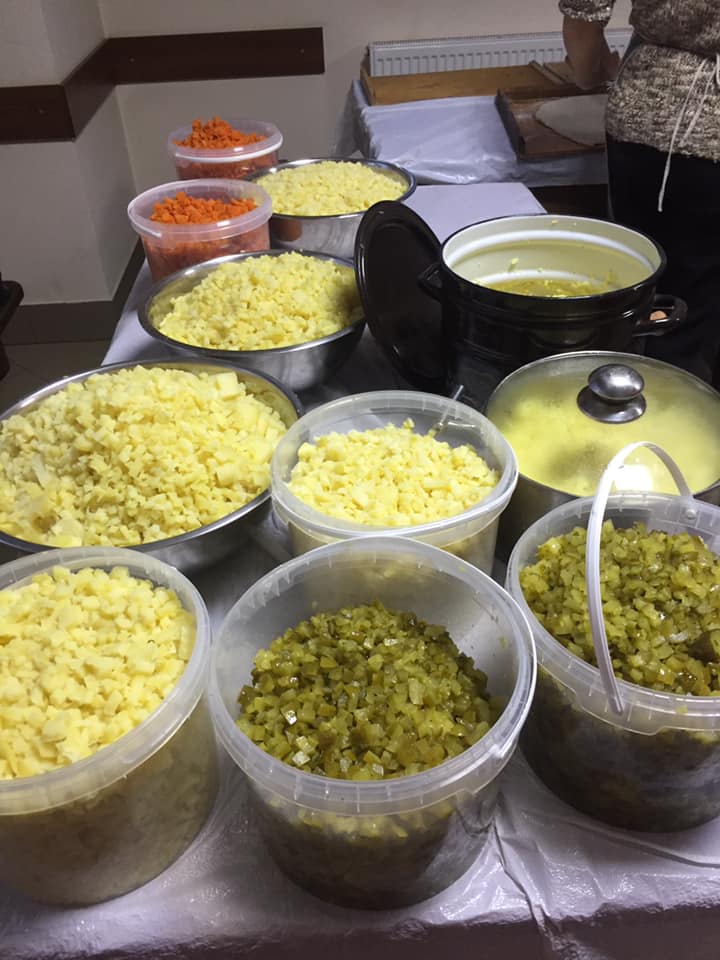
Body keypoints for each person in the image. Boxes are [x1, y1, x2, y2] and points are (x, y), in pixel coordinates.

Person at [559, 0, 720, 387]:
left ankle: (636, 397)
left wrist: (589, 73)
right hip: (686, 135)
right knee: (698, 297)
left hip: (648, 117)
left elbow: (582, 19)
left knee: (644, 282)